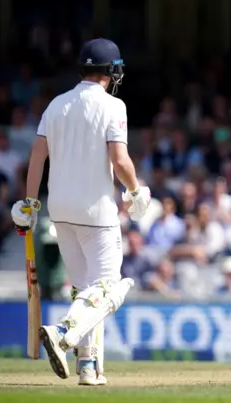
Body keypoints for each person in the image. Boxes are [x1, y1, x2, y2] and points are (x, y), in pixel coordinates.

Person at [10, 38, 151, 385]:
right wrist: (136, 191)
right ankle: (61, 333)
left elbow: (37, 158)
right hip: (96, 211)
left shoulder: (56, 105)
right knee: (107, 288)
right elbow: (120, 160)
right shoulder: (113, 106)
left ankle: (88, 366)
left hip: (60, 210)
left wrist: (30, 203)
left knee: (85, 291)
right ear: (110, 71)